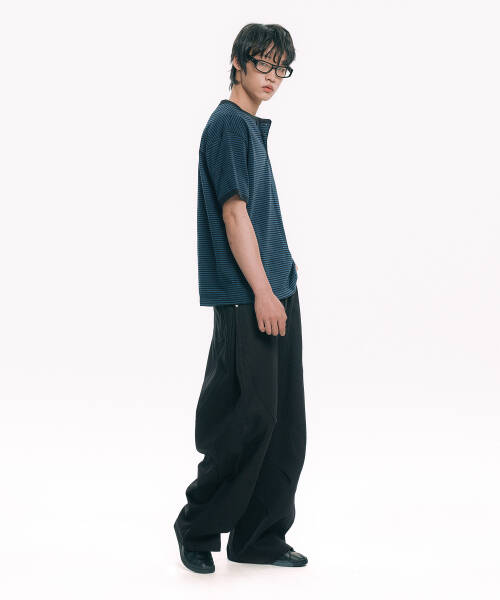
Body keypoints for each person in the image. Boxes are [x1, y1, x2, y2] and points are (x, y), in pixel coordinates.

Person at [173, 23, 307, 574]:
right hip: (248, 296)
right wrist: (262, 294)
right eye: (263, 63)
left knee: (285, 425)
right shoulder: (228, 124)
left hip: (277, 288)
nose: (273, 76)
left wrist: (279, 288)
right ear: (237, 62)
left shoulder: (250, 125)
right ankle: (197, 526)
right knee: (246, 418)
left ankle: (258, 538)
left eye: (282, 67)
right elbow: (234, 215)